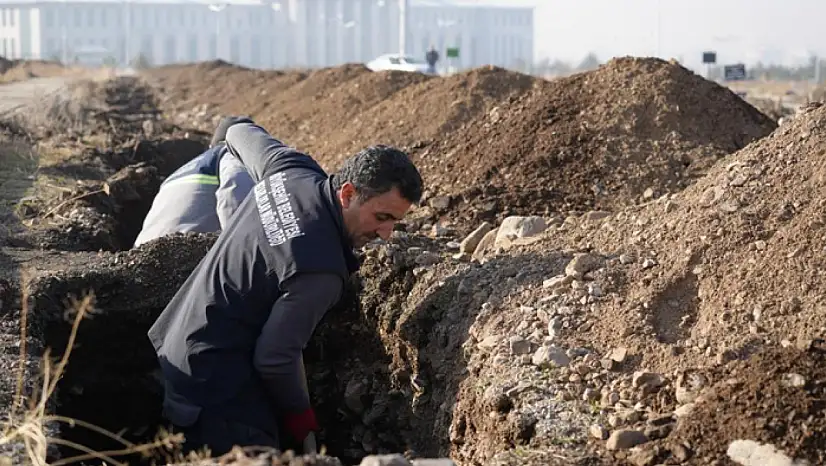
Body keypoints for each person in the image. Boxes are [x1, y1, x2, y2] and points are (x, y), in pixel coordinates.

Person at [147, 116, 424, 457]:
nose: (386, 233)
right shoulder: (320, 270)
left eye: (395, 221)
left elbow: (236, 131)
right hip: (217, 390)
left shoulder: (289, 169)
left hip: (178, 346)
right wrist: (300, 416)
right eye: (382, 217)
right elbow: (275, 357)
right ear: (348, 194)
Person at [132, 120, 255, 248]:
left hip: (140, 252)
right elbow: (235, 194)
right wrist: (246, 247)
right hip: (183, 250)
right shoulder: (230, 153)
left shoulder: (175, 175)